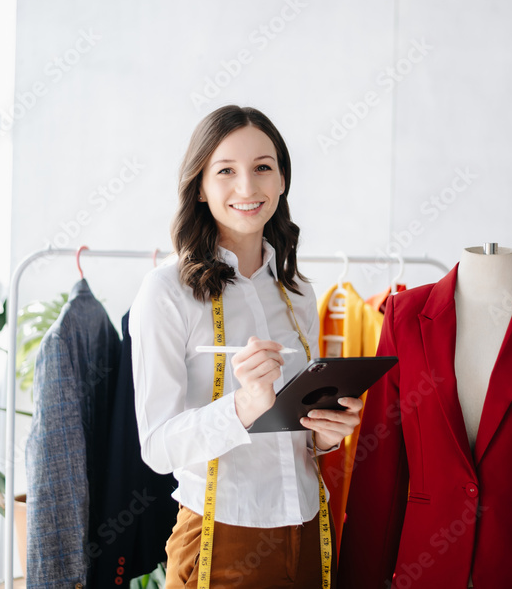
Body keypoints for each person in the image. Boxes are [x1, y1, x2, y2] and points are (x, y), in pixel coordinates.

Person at [130, 104, 362, 588]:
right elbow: (157, 448)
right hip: (221, 538)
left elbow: (298, 435)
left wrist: (326, 434)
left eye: (262, 167)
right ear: (199, 186)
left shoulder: (298, 293)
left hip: (308, 530)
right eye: (226, 171)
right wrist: (242, 405)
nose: (247, 187)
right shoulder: (167, 291)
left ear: (282, 180)